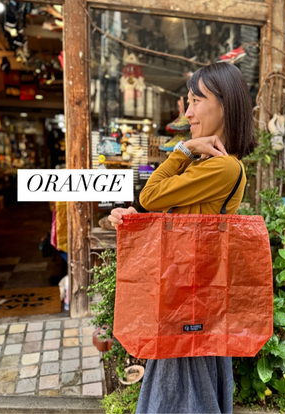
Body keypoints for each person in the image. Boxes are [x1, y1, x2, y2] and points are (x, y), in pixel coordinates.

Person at [107, 62, 257, 414]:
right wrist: (135, 221)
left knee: (178, 397)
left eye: (195, 101)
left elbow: (150, 195)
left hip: (189, 302)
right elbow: (173, 217)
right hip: (186, 296)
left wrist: (184, 148)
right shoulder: (205, 164)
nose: (188, 112)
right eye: (188, 102)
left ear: (225, 105)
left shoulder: (222, 167)